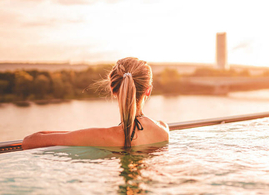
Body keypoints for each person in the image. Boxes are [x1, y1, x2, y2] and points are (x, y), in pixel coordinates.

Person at [22, 57, 169, 150]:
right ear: (148, 91)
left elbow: (29, 141)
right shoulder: (163, 130)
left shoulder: (103, 136)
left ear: (113, 89)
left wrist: (74, 134)